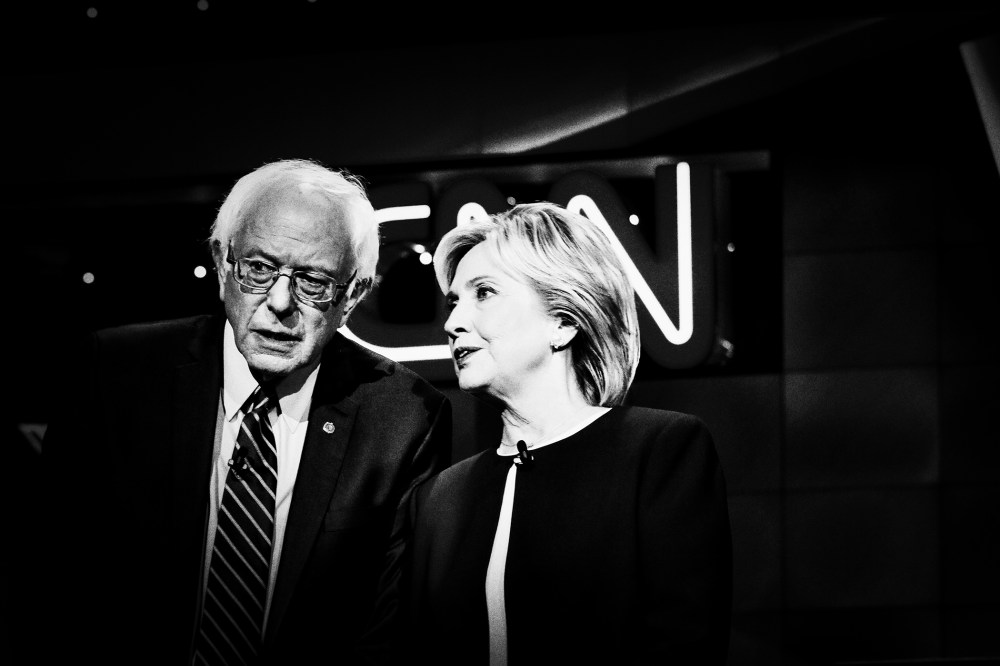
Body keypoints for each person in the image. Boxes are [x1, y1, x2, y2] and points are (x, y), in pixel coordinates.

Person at [35, 159, 452, 665]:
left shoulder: (404, 416)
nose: (279, 301)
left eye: (313, 281)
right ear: (221, 263)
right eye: (258, 268)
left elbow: (386, 634)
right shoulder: (115, 375)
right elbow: (51, 577)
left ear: (353, 295)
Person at [404, 202, 731, 664]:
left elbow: (686, 645)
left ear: (563, 321)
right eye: (454, 301)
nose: (453, 322)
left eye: (484, 293)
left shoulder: (659, 450)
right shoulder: (440, 497)